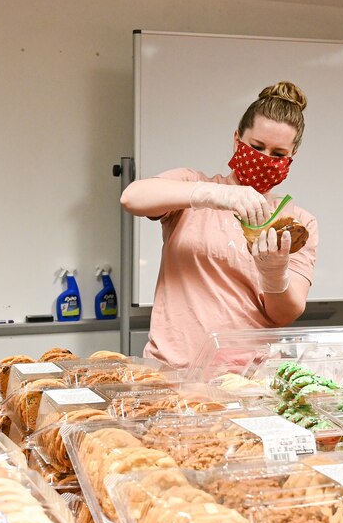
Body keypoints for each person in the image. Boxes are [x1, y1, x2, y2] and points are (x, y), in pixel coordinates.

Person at [120, 81, 319, 367]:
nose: (265, 159)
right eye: (257, 147)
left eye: (277, 154)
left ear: (291, 158)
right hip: (173, 370)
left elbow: (284, 315)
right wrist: (214, 194)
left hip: (248, 379)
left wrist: (274, 274)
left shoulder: (298, 223)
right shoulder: (192, 186)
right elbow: (132, 197)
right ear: (237, 139)